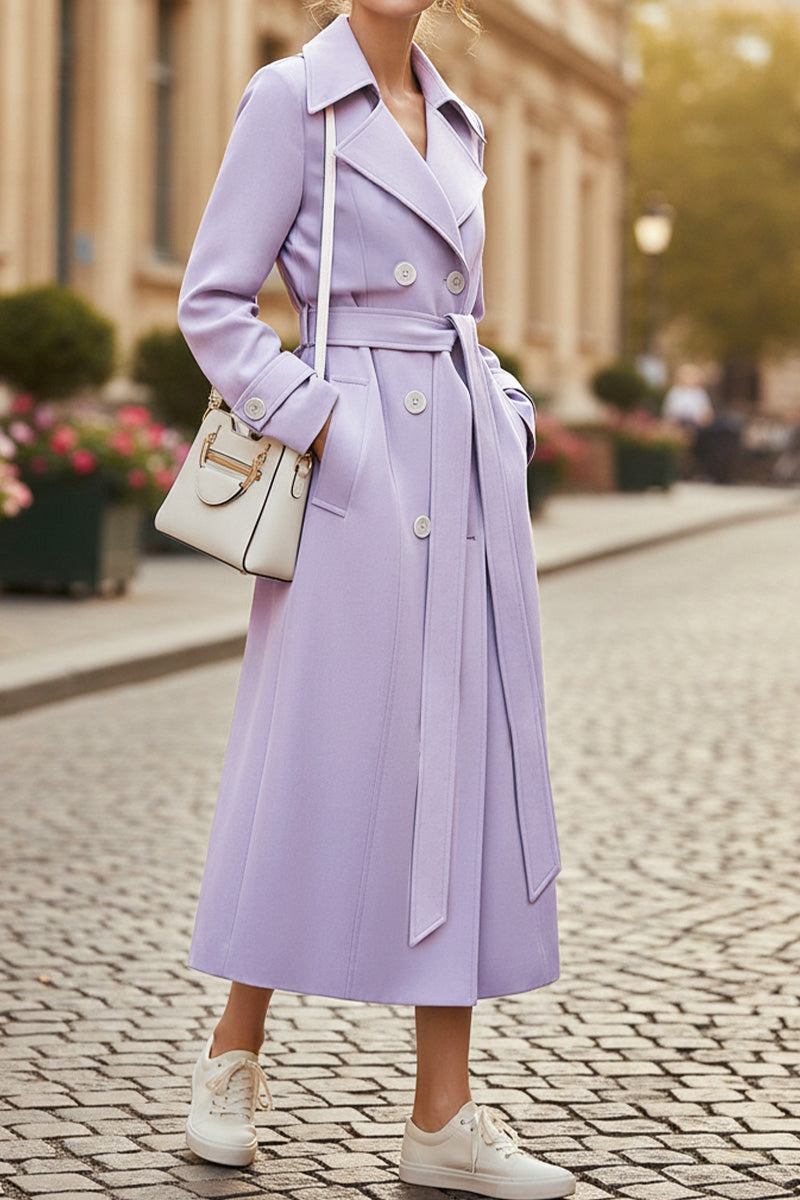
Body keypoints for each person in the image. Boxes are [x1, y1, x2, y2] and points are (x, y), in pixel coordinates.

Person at [177, 4, 573, 1197]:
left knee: (456, 770)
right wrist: (323, 424)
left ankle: (441, 1116)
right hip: (352, 476)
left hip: (456, 474)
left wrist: (501, 410)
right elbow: (213, 303)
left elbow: (459, 313)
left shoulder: (459, 118)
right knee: (312, 755)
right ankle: (229, 1060)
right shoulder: (287, 98)